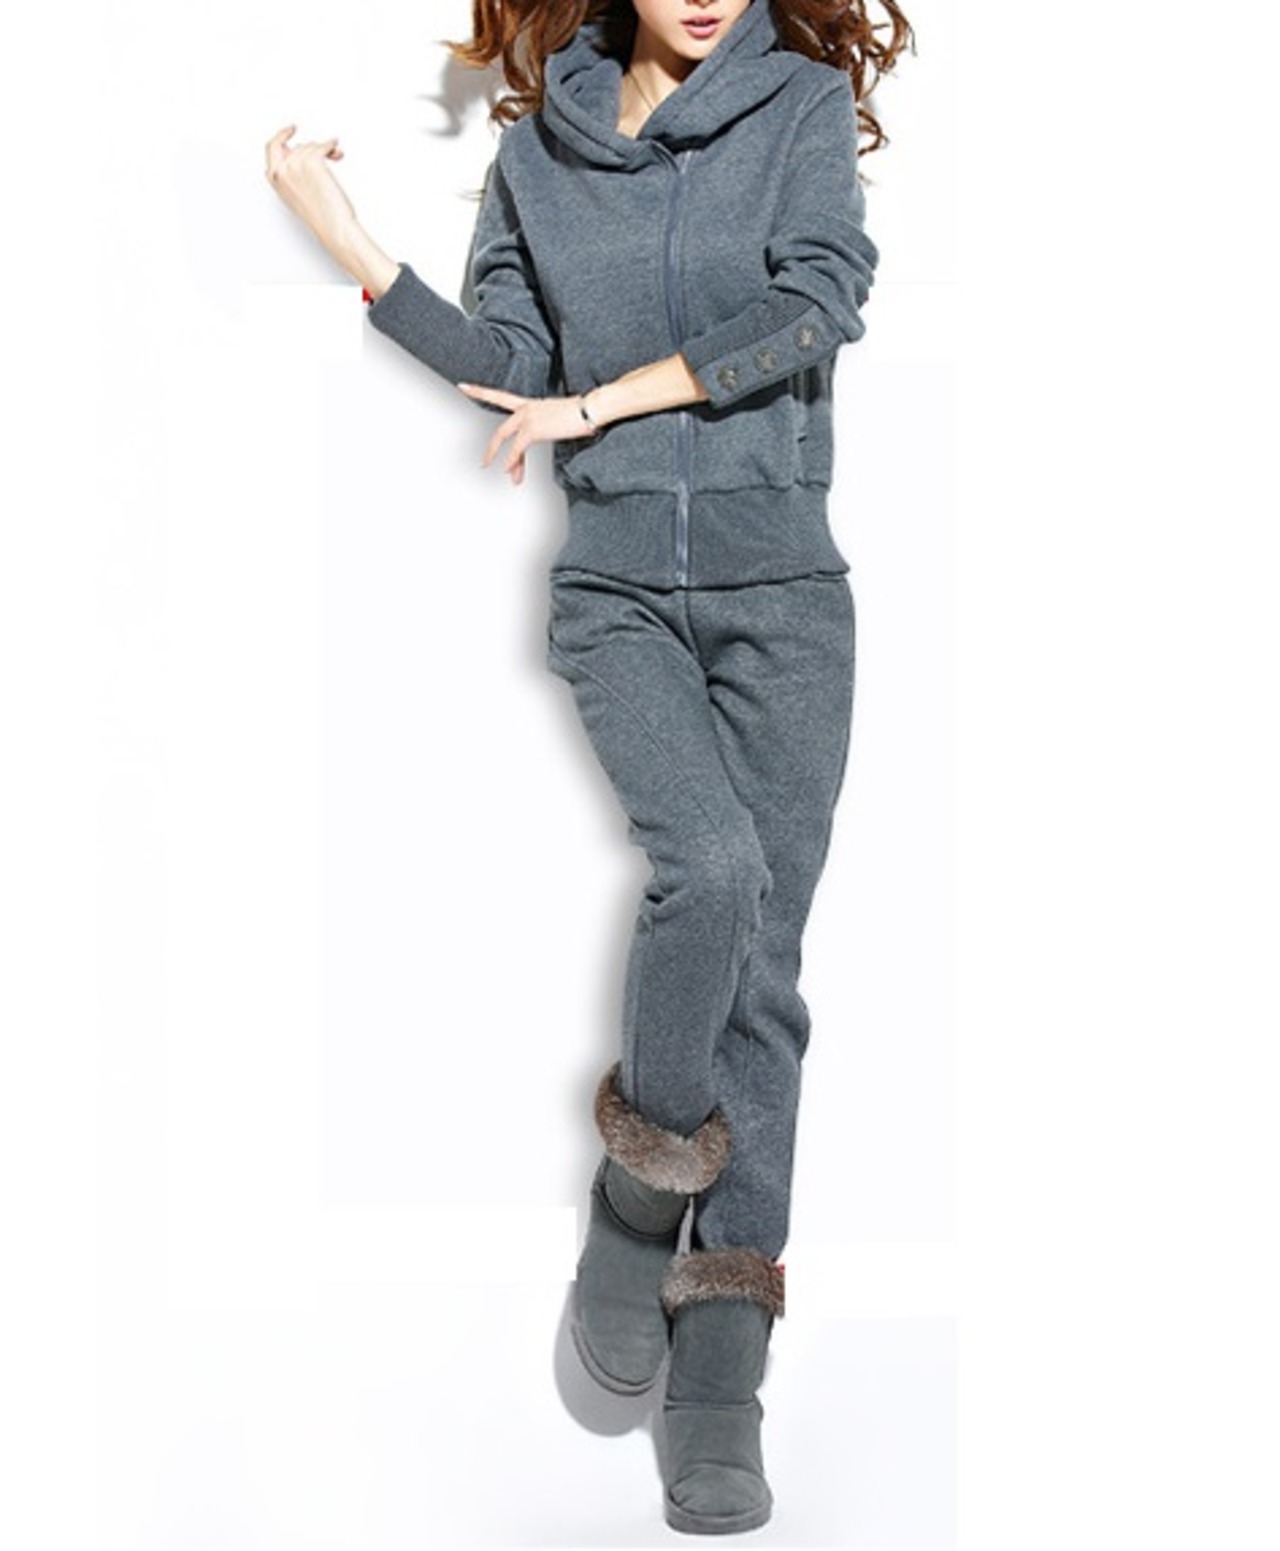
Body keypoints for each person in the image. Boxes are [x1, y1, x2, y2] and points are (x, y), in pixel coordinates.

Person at [265, 0, 911, 1534]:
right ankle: (636, 1200)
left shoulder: (796, 110)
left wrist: (608, 401)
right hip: (616, 592)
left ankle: (721, 1377)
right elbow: (510, 362)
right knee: (713, 870)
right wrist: (359, 252)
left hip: (785, 601)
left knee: (765, 977)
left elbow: (823, 301)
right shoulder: (540, 156)